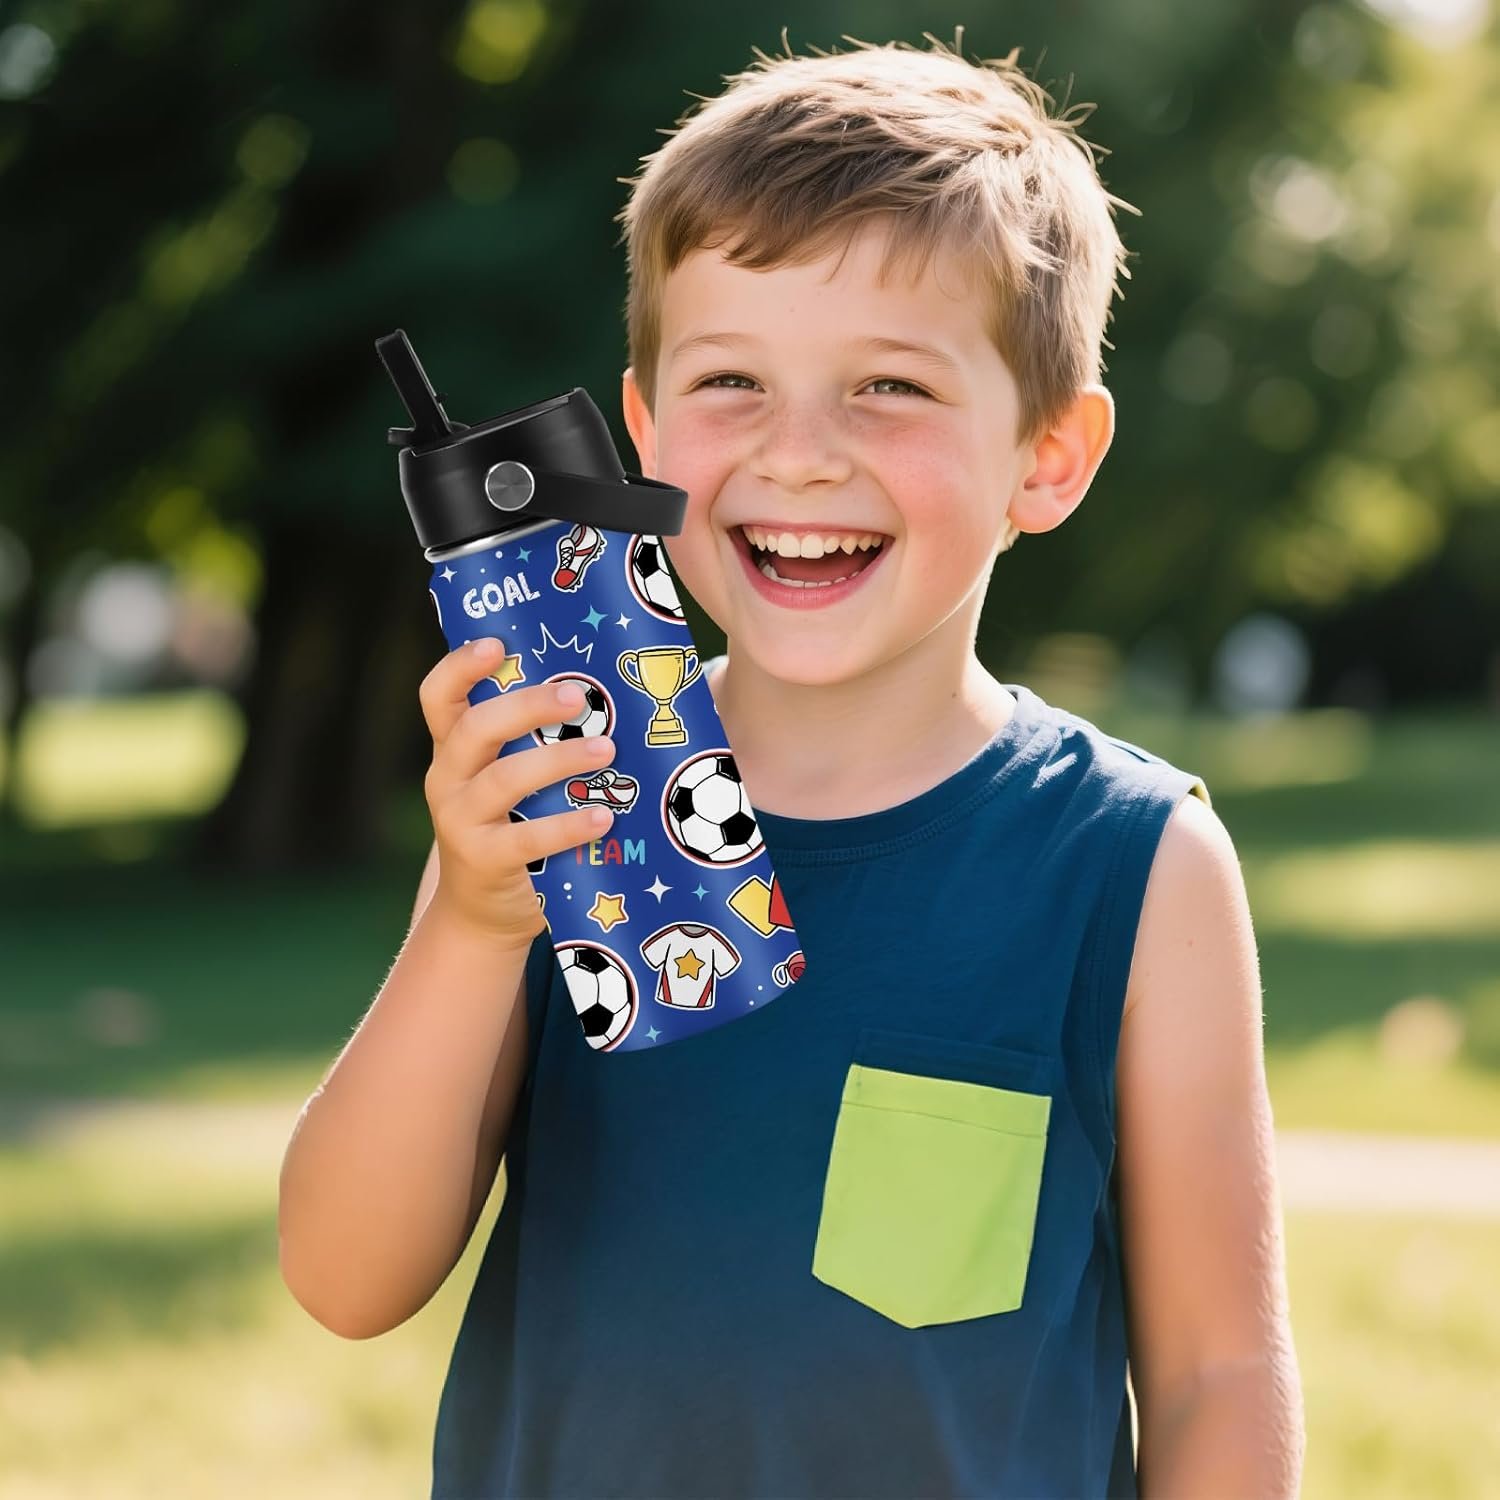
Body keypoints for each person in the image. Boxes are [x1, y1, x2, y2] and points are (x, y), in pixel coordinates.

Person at [279, 31, 1305, 1499]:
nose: (801, 453)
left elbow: (1217, 1375)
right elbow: (343, 1278)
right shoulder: (563, 798)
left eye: (888, 386)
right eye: (731, 383)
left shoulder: (1135, 867)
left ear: (1048, 456)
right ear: (640, 437)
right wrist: (474, 923)